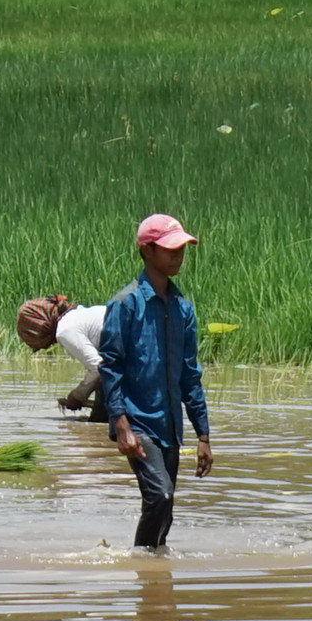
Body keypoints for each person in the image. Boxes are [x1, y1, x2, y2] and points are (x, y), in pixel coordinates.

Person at [93, 213, 213, 554]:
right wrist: (121, 425)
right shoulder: (125, 304)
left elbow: (190, 375)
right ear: (147, 250)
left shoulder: (183, 309)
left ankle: (154, 579)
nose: (178, 255)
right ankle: (141, 566)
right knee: (160, 495)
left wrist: (203, 435)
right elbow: (111, 367)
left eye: (182, 249)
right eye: (169, 249)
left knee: (165, 512)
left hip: (170, 426)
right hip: (137, 421)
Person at [15, 293, 107, 417]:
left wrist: (77, 396)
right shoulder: (78, 315)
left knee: (102, 419)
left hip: (134, 352)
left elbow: (97, 367)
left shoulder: (65, 330)